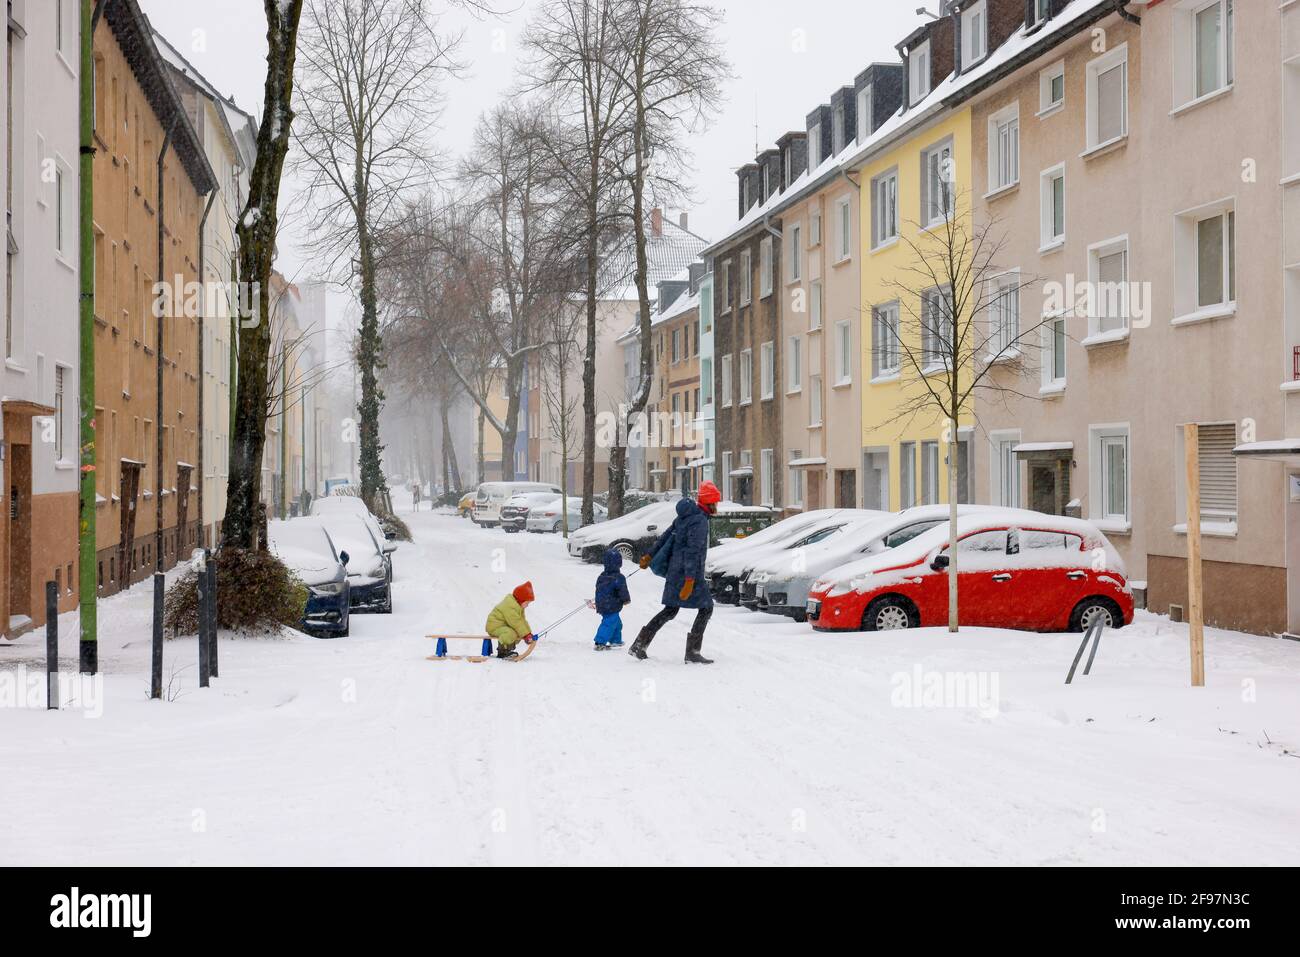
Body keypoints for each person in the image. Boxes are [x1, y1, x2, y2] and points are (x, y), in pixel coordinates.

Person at [629, 481, 722, 664]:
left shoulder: (685, 517)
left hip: (675, 570)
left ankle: (640, 644)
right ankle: (693, 652)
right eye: (716, 502)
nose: (717, 506)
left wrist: (649, 555)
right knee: (706, 608)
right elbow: (692, 551)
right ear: (710, 503)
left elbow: (665, 537)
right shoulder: (700, 521)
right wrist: (689, 580)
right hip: (688, 573)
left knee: (670, 610)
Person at [592, 550, 631, 651]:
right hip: (612, 605)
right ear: (619, 563)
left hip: (602, 604)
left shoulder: (602, 576)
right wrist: (626, 600)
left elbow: (598, 588)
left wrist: (600, 600)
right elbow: (623, 591)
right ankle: (600, 642)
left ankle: (616, 640)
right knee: (609, 623)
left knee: (617, 623)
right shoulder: (619, 577)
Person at [486, 581, 537, 660]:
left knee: (518, 632)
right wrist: (526, 635)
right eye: (527, 603)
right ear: (521, 600)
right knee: (510, 633)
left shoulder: (518, 607)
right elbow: (516, 623)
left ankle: (508, 649)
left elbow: (522, 621)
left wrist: (528, 633)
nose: (527, 605)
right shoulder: (510, 606)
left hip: (503, 626)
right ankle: (502, 651)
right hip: (495, 626)